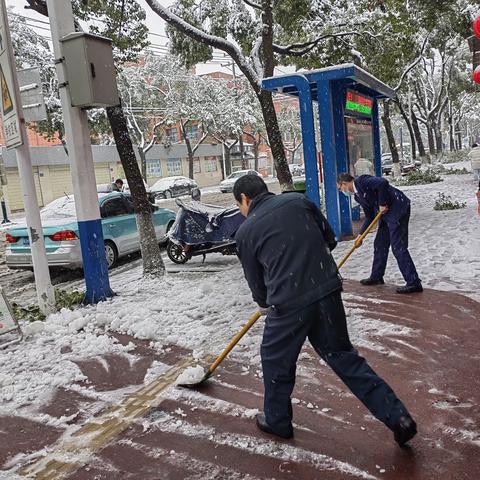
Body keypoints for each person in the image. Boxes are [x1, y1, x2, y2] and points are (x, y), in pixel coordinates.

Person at [233, 175, 417, 446]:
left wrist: (267, 300)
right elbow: (329, 239)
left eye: (239, 206)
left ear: (245, 200)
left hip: (288, 305)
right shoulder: (298, 201)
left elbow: (257, 287)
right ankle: (398, 416)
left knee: (276, 361)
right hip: (327, 290)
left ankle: (277, 420)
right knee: (344, 357)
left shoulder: (246, 232)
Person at [337, 173, 422, 294]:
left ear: (344, 184)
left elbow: (383, 183)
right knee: (380, 244)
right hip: (385, 215)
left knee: (398, 247)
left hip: (397, 209)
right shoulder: (358, 196)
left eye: (340, 188)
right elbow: (369, 217)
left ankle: (414, 282)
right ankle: (377, 277)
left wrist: (382, 203)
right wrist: (361, 236)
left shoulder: (362, 181)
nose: (342, 191)